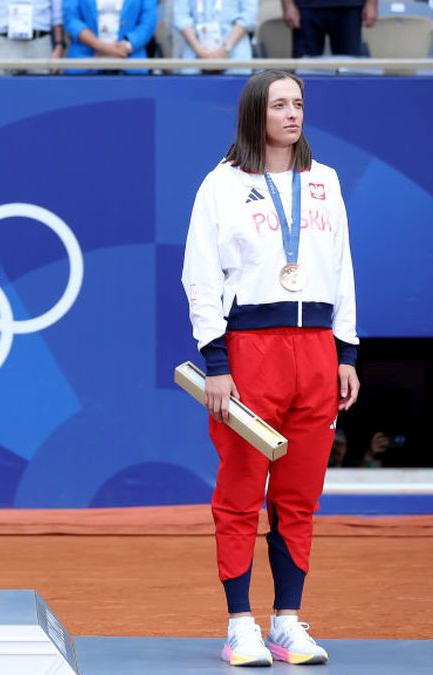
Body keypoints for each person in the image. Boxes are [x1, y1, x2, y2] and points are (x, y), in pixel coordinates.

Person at [181, 70, 359, 667]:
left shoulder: (325, 182)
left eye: (299, 104)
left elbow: (343, 269)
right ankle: (240, 624)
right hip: (250, 351)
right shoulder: (221, 185)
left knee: (299, 495)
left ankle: (286, 621)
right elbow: (200, 277)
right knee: (239, 492)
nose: (292, 114)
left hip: (316, 351)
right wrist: (216, 360)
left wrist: (347, 351)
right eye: (280, 104)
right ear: (255, 112)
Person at [0, 0, 65, 75]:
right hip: (2, 42)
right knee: (0, 94)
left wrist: (59, 46)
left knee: (42, 94)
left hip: (40, 41)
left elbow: (58, 13)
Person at [63, 0, 157, 68]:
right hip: (85, 61)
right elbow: (71, 19)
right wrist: (101, 46)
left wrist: (127, 47)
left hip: (130, 62)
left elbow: (148, 22)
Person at [173, 0, 256, 73]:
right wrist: (201, 52)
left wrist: (226, 49)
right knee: (190, 85)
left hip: (235, 47)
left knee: (237, 85)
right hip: (194, 48)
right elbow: (181, 17)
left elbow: (249, 15)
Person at [283, 0, 376, 57]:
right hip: (305, 7)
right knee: (303, 69)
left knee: (350, 69)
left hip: (349, 6)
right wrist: (288, 4)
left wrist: (372, 3)